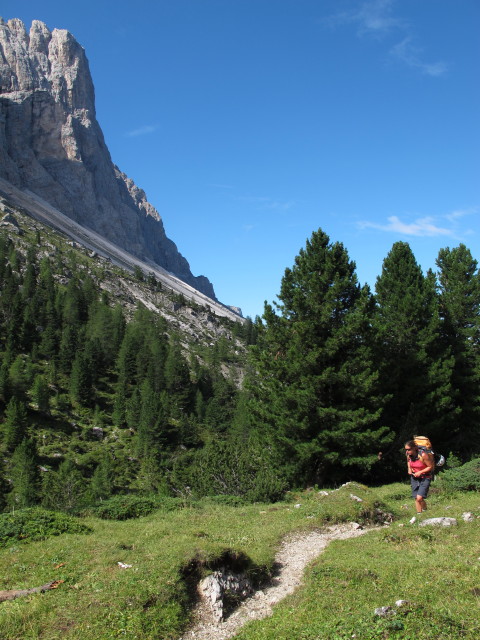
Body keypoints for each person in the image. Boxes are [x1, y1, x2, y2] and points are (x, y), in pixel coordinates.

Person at [405, 440, 434, 513]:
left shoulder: (423, 455)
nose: (407, 451)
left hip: (425, 477)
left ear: (414, 448)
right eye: (406, 450)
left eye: (409, 449)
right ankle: (419, 514)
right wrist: (409, 469)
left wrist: (420, 472)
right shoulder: (408, 455)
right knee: (416, 497)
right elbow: (408, 462)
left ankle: (424, 509)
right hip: (414, 477)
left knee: (419, 498)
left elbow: (430, 467)